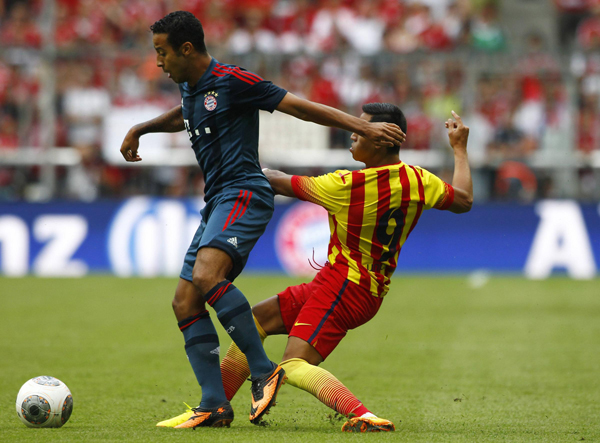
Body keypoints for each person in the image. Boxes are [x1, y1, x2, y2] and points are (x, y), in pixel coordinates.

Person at [119, 11, 405, 429]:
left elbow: (299, 107)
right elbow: (186, 112)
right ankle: (214, 403)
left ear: (186, 48)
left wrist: (360, 125)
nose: (158, 62)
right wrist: (142, 128)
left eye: (162, 52)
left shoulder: (234, 80)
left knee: (206, 276)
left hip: (245, 192)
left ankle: (263, 369)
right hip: (217, 199)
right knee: (184, 301)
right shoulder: (190, 87)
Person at [159, 104, 471, 432]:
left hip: (346, 287)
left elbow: (278, 182)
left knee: (293, 363)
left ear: (381, 140)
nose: (353, 132)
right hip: (349, 284)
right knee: (253, 322)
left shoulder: (347, 187)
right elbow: (464, 200)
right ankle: (215, 406)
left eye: (362, 129)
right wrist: (460, 150)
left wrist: (240, 168)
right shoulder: (419, 179)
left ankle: (364, 415)